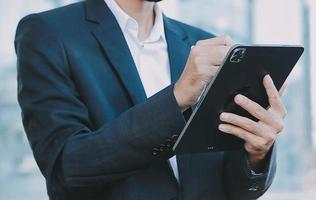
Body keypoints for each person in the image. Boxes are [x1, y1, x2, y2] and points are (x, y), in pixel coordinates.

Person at [15, 0, 287, 199]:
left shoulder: (204, 44)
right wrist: (176, 97)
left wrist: (257, 153)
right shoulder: (49, 33)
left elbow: (233, 187)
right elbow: (67, 169)